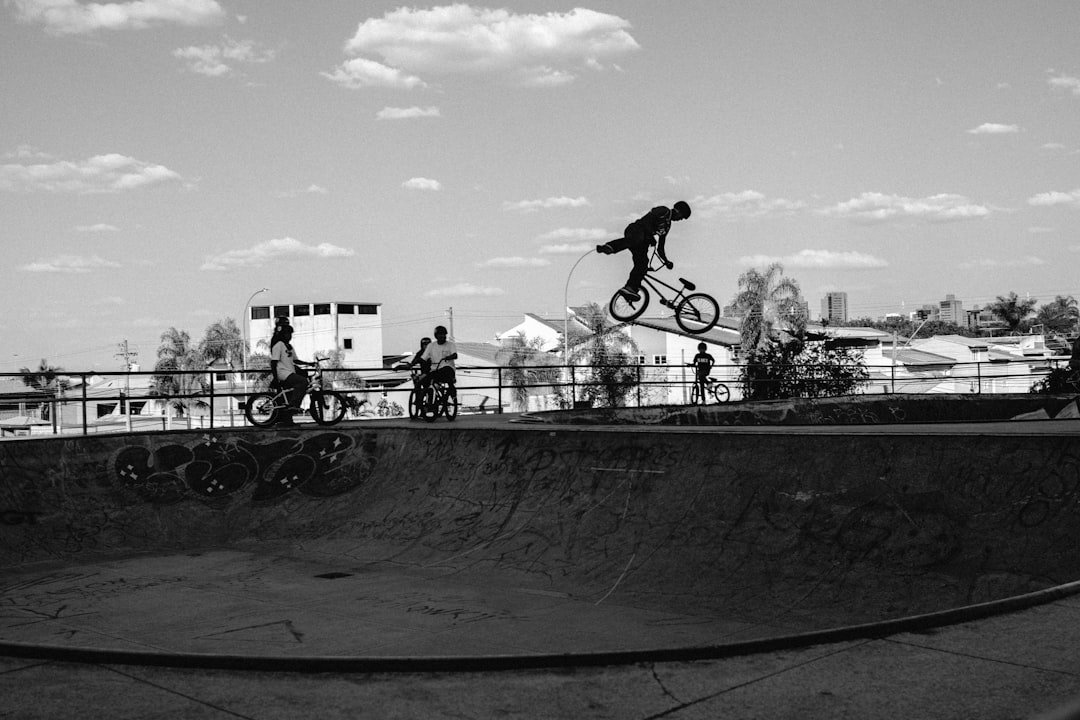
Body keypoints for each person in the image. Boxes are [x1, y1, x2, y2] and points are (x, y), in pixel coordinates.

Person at [596, 200, 691, 301]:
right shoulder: (664, 211)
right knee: (637, 239)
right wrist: (650, 236)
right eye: (682, 216)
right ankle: (610, 247)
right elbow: (647, 221)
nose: (680, 219)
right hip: (635, 230)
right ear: (678, 211)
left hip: (643, 241)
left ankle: (630, 288)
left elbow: (660, 247)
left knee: (642, 264)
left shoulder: (667, 227)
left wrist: (666, 261)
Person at [268, 322, 312, 425]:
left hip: (289, 372)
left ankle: (288, 419)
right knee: (302, 382)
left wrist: (309, 364)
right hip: (282, 373)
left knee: (289, 395)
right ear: (283, 334)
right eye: (287, 334)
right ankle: (294, 405)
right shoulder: (278, 345)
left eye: (290, 334)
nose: (289, 336)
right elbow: (273, 362)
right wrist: (276, 378)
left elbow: (295, 360)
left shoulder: (289, 346)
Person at [416, 325, 458, 399]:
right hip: (435, 370)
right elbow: (423, 358)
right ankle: (425, 403)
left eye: (444, 334)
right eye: (440, 334)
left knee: (446, 371)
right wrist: (413, 363)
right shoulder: (431, 346)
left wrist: (449, 357)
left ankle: (452, 390)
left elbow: (455, 355)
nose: (442, 336)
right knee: (423, 381)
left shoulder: (451, 345)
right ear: (436, 336)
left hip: (448, 369)